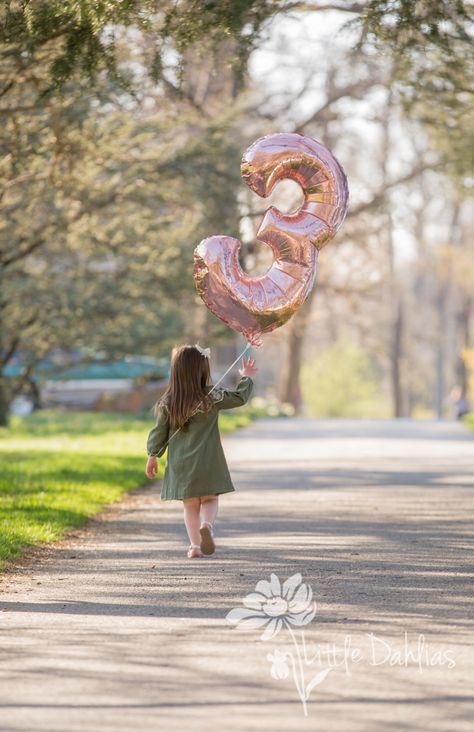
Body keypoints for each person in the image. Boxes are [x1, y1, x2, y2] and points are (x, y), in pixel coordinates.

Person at [145, 344, 257, 559]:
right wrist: (246, 377)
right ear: (203, 370)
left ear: (176, 371)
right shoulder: (211, 396)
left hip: (181, 466)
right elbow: (239, 398)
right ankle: (207, 525)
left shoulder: (169, 401)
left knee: (190, 506)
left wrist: (152, 456)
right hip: (208, 462)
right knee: (210, 500)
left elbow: (159, 432)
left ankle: (195, 546)